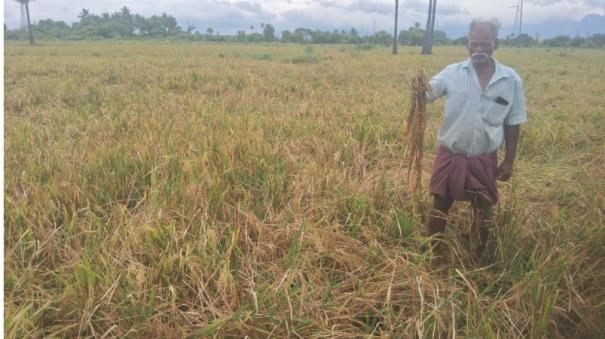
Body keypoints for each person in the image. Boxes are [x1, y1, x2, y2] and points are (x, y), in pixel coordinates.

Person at [425, 18, 527, 257]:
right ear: (467, 43)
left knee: (483, 209)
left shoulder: (510, 79)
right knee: (440, 204)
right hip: (451, 154)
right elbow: (427, 94)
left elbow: (513, 123)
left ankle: (479, 257)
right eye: (474, 44)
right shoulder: (452, 73)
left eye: (485, 44)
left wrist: (509, 161)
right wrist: (419, 90)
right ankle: (434, 254)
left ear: (496, 44)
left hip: (484, 157)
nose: (479, 50)